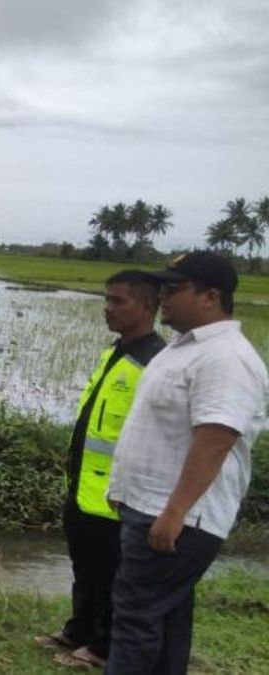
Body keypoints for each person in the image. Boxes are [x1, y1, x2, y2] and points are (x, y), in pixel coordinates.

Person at [105, 251, 268, 674]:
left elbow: (216, 438)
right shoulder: (185, 348)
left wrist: (174, 511)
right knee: (164, 617)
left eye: (174, 288)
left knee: (135, 619)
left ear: (211, 296)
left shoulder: (226, 358)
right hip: (153, 507)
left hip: (174, 515)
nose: (164, 296)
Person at [38, 270, 165, 668]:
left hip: (118, 493)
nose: (108, 309)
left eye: (118, 301)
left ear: (148, 306)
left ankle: (102, 647)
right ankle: (79, 631)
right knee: (85, 566)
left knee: (114, 573)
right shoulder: (116, 353)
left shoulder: (154, 364)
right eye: (106, 300)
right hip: (83, 486)